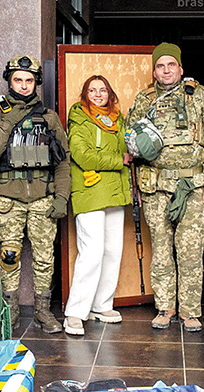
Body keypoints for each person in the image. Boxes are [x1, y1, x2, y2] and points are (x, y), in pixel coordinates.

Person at [126, 42, 204, 332]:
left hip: (193, 186)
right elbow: (131, 141)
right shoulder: (144, 99)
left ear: (180, 68)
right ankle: (165, 307)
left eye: (171, 65)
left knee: (191, 252)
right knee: (163, 251)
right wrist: (137, 186)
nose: (166, 70)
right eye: (160, 65)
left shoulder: (200, 96)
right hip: (155, 188)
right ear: (154, 70)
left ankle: (190, 310)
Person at [0, 55, 71, 333]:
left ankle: (42, 311)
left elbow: (63, 162)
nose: (24, 85)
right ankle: (11, 311)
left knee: (44, 257)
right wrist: (8, 121)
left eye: (29, 80)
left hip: (43, 197)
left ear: (36, 83)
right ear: (10, 81)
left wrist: (62, 197)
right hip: (8, 198)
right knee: (9, 256)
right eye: (18, 80)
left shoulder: (49, 118)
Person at [63, 75, 132, 336]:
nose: (98, 94)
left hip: (115, 191)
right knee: (90, 253)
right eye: (92, 90)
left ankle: (101, 305)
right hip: (90, 191)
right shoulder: (79, 116)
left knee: (112, 251)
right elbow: (81, 153)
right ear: (84, 94)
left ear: (110, 93)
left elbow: (127, 150)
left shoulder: (117, 118)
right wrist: (119, 159)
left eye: (102, 89)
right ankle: (74, 313)